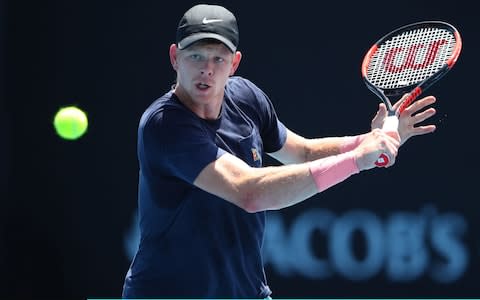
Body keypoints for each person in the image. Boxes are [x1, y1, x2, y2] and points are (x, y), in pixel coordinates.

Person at [122, 4, 437, 299]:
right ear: (175, 57)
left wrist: (370, 140)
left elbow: (302, 152)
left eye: (218, 58)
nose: (207, 69)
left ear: (234, 64)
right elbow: (249, 192)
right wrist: (357, 159)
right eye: (196, 56)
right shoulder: (164, 126)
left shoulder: (246, 98)